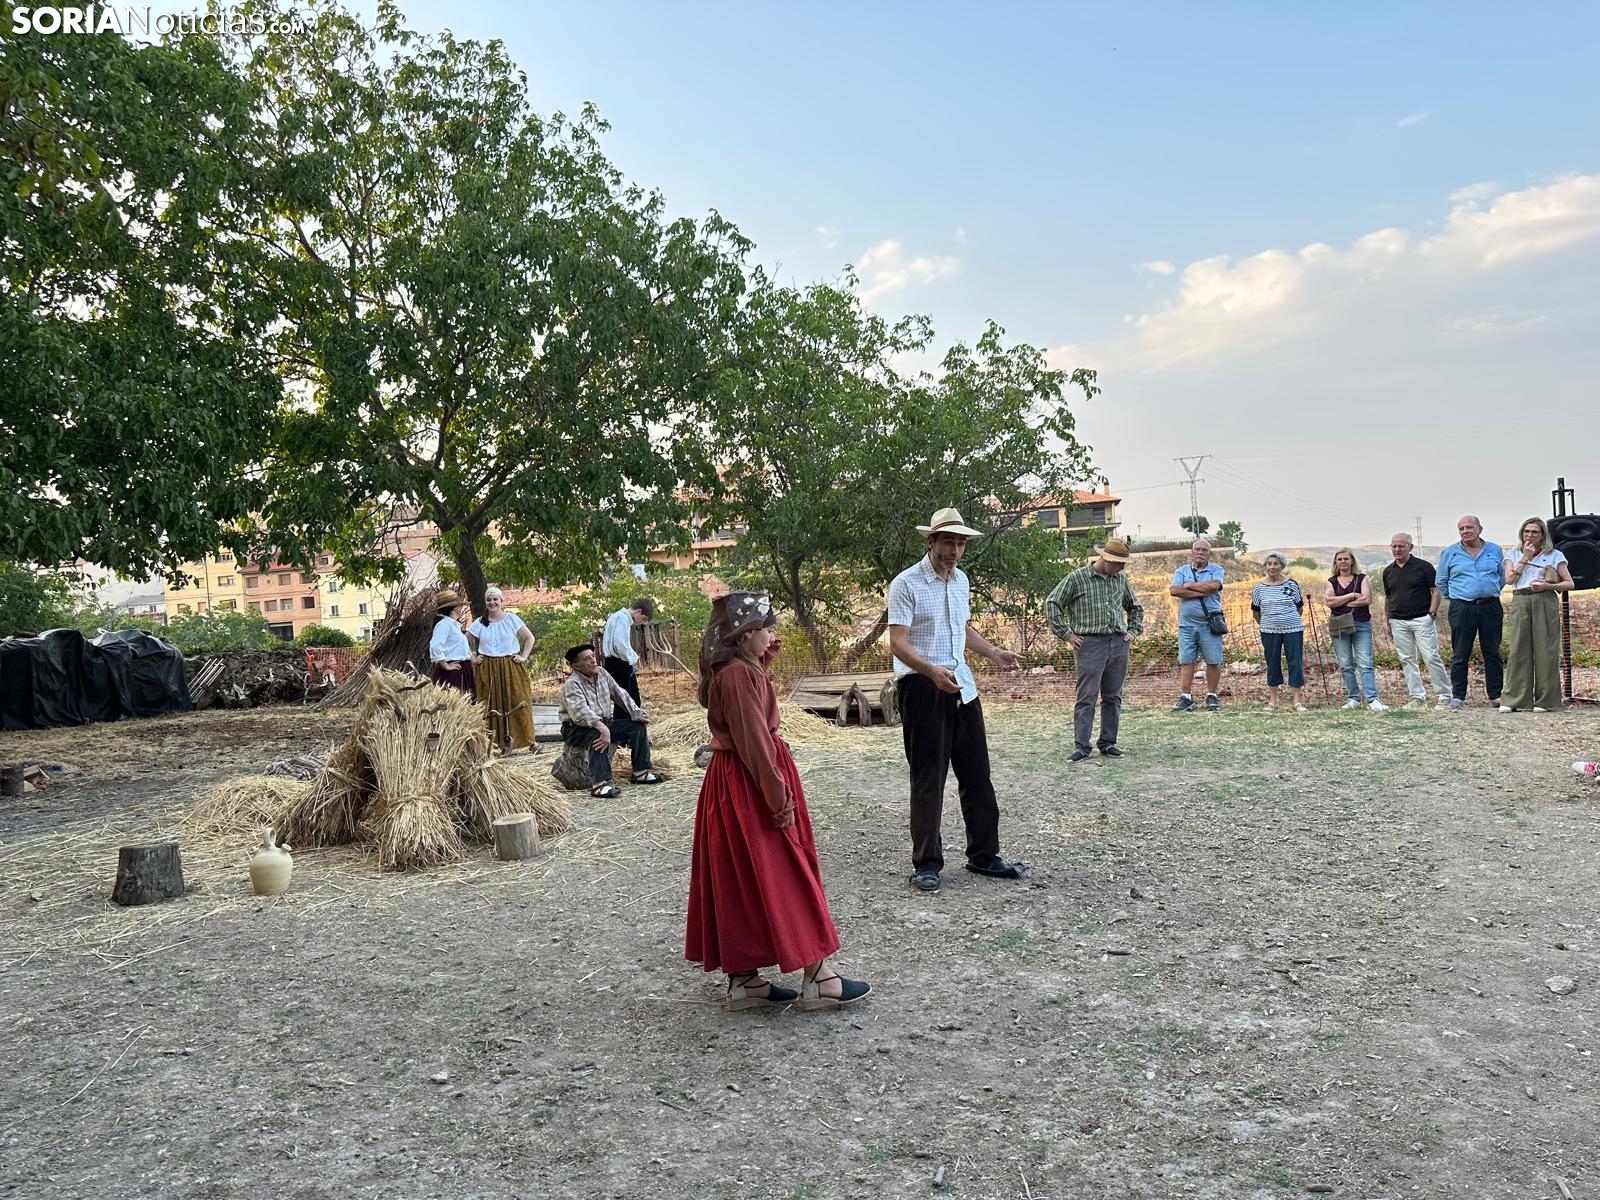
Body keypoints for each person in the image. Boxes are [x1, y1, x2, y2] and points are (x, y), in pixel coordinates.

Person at [685, 592, 870, 1011]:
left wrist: (760, 645)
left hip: (739, 782)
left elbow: (756, 699)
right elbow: (753, 742)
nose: (774, 636)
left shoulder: (740, 669)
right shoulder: (737, 676)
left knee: (743, 877)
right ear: (745, 634)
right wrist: (777, 798)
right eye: (767, 628)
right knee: (786, 872)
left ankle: (745, 982)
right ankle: (818, 978)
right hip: (749, 784)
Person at [888, 507, 1025, 893]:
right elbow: (897, 642)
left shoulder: (961, 581)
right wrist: (930, 670)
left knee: (977, 774)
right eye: (948, 542)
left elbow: (960, 629)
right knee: (928, 777)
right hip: (922, 687)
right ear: (930, 541)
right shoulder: (906, 584)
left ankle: (984, 855)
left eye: (961, 543)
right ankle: (927, 864)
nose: (955, 550)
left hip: (962, 685)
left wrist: (993, 653)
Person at [1045, 538, 1144, 760]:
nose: (1122, 567)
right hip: (1089, 644)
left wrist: (1133, 631)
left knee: (1113, 697)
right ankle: (1082, 746)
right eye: (1119, 563)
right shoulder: (1077, 578)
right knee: (1086, 696)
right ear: (1106, 559)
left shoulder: (1120, 580)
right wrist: (1067, 634)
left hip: (1118, 642)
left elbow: (1135, 607)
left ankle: (1108, 743)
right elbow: (1052, 603)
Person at [559, 645, 664, 797]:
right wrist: (603, 728)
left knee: (637, 726)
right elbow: (580, 713)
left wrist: (636, 712)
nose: (593, 660)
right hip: (576, 728)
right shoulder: (572, 684)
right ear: (575, 666)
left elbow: (619, 693)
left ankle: (640, 772)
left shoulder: (602, 673)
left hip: (604, 722)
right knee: (597, 736)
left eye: (593, 656)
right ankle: (599, 784)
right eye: (587, 659)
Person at [1499, 516, 1574, 713]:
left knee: (1546, 649)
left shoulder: (1555, 555)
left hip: (1544, 599)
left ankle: (1546, 701)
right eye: (1526, 531)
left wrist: (1548, 585)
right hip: (1521, 599)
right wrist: (1525, 557)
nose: (1530, 535)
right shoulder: (1513, 554)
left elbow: (1569, 583)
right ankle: (1514, 699)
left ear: (1542, 535)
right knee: (1518, 649)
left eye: (1534, 532)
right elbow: (1509, 579)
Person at [1436, 515, 1506, 709]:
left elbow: (1502, 577)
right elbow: (1441, 581)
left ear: (1479, 529)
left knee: (1492, 652)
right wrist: (1458, 597)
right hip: (1462, 608)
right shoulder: (1449, 552)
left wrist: (1488, 590)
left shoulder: (1495, 550)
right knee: (1460, 653)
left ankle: (1496, 696)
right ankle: (1458, 696)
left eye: (1469, 527)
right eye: (1461, 528)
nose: (1465, 531)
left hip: (1490, 606)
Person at [1380, 533, 1451, 709]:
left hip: (1422, 619)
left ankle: (1444, 696)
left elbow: (1436, 590)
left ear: (1410, 547)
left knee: (1431, 657)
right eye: (1394, 546)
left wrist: (1431, 614)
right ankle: (1417, 697)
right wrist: (1387, 620)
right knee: (1407, 660)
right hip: (1398, 621)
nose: (1397, 549)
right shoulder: (1388, 571)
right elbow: (1388, 597)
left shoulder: (1424, 566)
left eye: (1401, 546)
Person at [468, 587, 536, 752]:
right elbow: (465, 640)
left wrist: (523, 656)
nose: (492, 602)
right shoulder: (480, 622)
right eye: (489, 600)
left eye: (495, 599)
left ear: (501, 601)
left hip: (510, 666)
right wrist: (473, 657)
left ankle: (526, 741)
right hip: (487, 668)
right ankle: (494, 745)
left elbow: (529, 638)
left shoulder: (511, 619)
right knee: (490, 703)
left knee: (517, 700)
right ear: (485, 602)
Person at [1325, 549, 1387, 711]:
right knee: (1346, 664)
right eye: (1339, 559)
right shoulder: (1331, 581)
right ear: (1335, 562)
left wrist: (1340, 601)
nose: (1343, 562)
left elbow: (1366, 599)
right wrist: (1352, 595)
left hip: (1361, 624)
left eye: (1346, 559)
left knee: (1365, 663)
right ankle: (1354, 699)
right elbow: (1329, 603)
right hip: (1339, 625)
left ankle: (1373, 699)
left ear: (1352, 561)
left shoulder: (1362, 578)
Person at [1169, 540, 1226, 712]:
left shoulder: (1216, 570)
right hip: (1186, 625)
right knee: (1187, 661)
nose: (1200, 552)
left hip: (1210, 624)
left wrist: (1189, 586)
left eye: (1204, 550)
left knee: (1213, 660)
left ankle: (1212, 696)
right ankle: (1186, 697)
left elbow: (1214, 586)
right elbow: (1174, 591)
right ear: (1191, 552)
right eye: (1197, 549)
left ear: (1210, 553)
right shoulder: (1181, 571)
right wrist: (1203, 589)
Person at [1250, 552, 1306, 712]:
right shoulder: (1259, 588)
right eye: (1269, 564)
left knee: (1295, 663)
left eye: (1276, 563)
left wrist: (1286, 620)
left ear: (1282, 566)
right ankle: (1273, 702)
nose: (1272, 567)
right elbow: (1256, 612)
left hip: (1293, 630)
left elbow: (1299, 608)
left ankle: (1297, 702)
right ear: (1265, 566)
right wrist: (1268, 624)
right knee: (1272, 663)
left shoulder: (1292, 584)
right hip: (1269, 631)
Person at [602, 596, 655, 717]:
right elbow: (620, 645)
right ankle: (622, 727)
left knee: (632, 700)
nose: (641, 621)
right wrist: (633, 657)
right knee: (624, 703)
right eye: (643, 618)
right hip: (618, 664)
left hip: (618, 662)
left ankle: (630, 725)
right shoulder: (621, 618)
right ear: (639, 611)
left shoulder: (619, 617)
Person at [428, 589, 475, 698]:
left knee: (466, 704)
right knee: (454, 703)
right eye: (460, 605)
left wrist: (471, 659)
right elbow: (435, 646)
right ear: (454, 607)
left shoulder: (453, 625)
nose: (462, 607)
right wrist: (446, 665)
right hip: (453, 672)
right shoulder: (444, 624)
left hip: (462, 669)